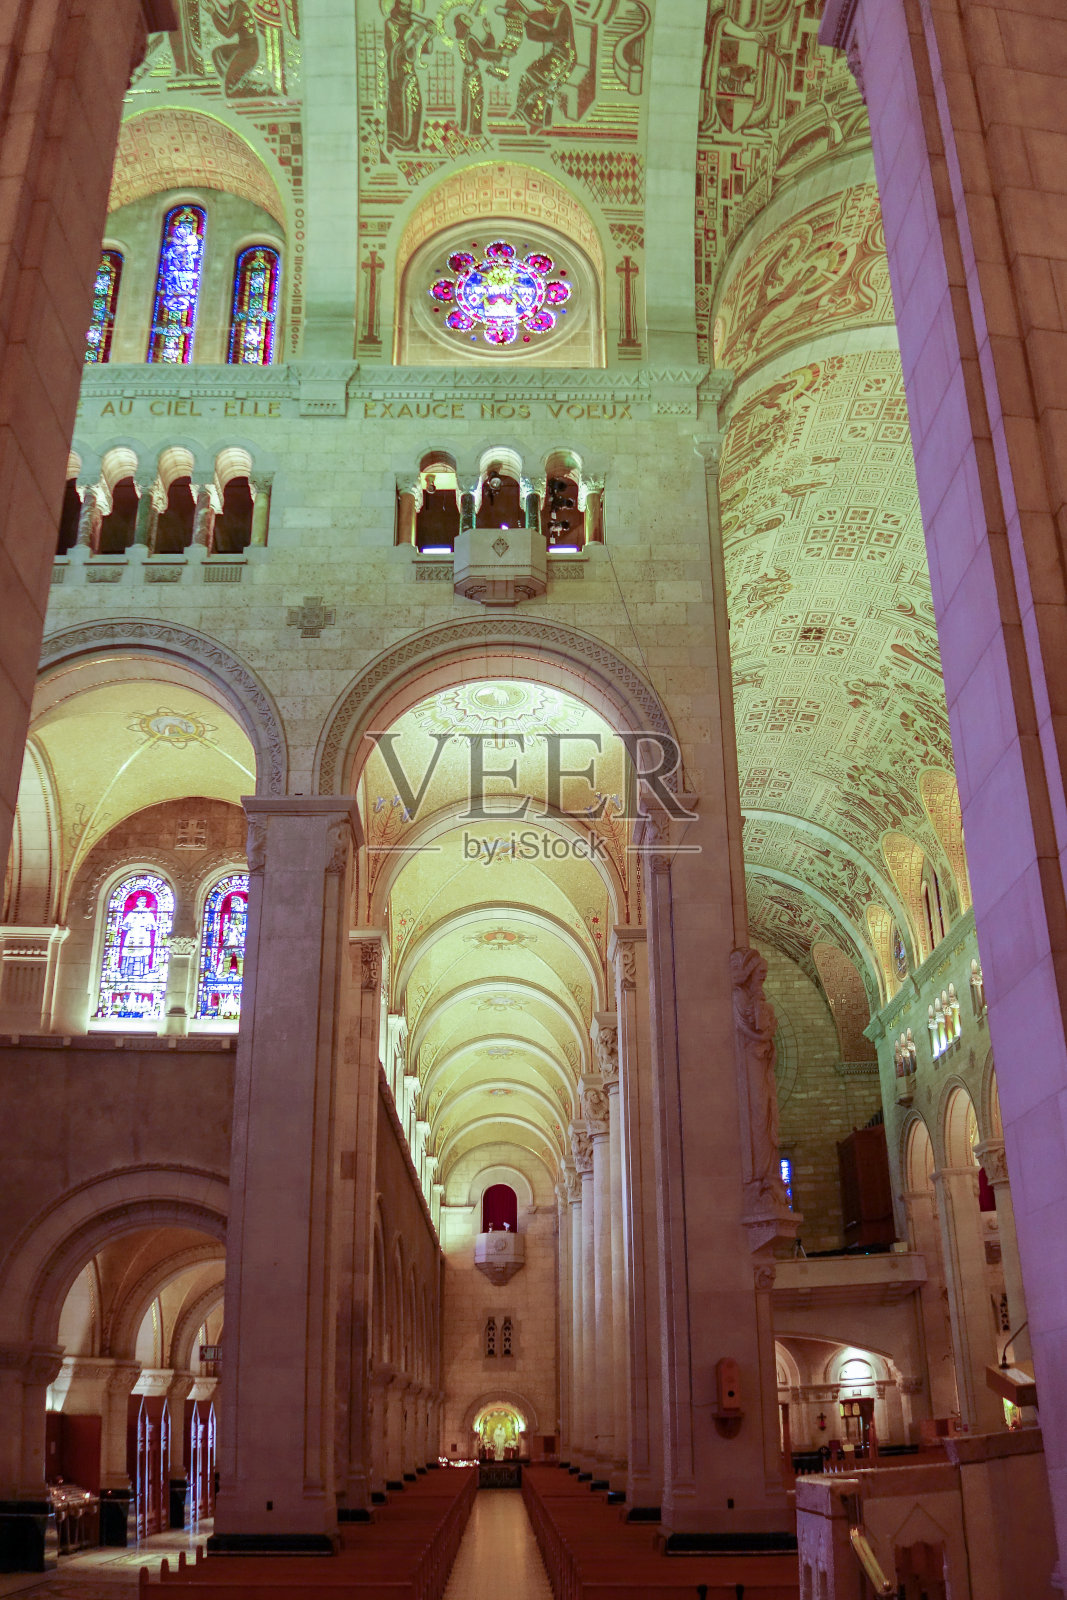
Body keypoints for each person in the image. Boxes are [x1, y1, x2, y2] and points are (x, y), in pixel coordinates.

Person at [385, 0, 436, 152]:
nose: (406, 9)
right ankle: (394, 141)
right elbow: (393, 49)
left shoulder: (412, 22)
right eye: (403, 5)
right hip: (397, 73)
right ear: (396, 4)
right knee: (397, 106)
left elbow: (421, 49)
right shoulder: (390, 23)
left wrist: (429, 36)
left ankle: (412, 143)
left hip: (410, 73)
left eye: (409, 5)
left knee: (415, 106)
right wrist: (412, 39)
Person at [119, 895, 158, 979]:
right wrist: (128, 925)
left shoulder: (149, 914)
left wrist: (149, 927)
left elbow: (154, 926)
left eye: (144, 902)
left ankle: (142, 973)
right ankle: (126, 972)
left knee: (142, 953)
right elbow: (124, 925)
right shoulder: (132, 913)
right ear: (137, 903)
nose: (142, 903)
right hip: (132, 934)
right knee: (129, 953)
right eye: (140, 902)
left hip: (143, 935)